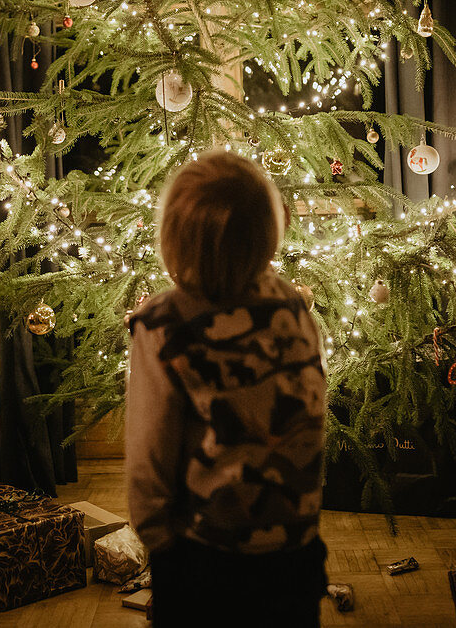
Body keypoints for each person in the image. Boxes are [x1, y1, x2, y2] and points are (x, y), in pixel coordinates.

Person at [126, 150, 329, 626]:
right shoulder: (294, 307)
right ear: (268, 232)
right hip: (295, 551)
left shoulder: (164, 324)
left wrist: (161, 546)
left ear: (174, 239)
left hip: (207, 564)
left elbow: (148, 458)